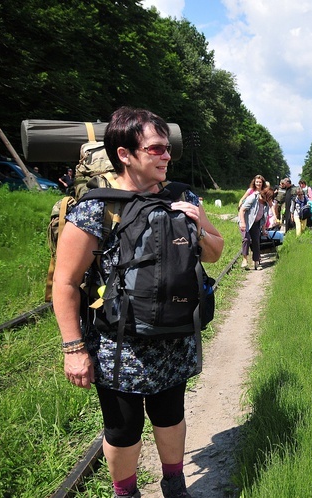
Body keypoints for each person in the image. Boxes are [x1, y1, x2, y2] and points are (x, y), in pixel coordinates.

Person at [52, 106, 224, 498]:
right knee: (122, 431)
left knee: (170, 416)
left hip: (173, 336)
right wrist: (74, 348)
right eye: (156, 149)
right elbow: (65, 282)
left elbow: (216, 251)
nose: (166, 156)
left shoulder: (182, 196)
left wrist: (196, 223)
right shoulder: (98, 208)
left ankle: (174, 484)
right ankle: (126, 492)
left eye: (167, 149)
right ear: (125, 154)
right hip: (119, 345)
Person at [239, 175, 269, 270]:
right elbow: (242, 207)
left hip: (256, 223)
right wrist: (242, 221)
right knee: (247, 239)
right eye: (257, 182)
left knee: (256, 241)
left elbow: (264, 216)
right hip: (247, 220)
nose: (258, 184)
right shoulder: (252, 195)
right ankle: (244, 259)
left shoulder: (265, 200)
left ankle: (256, 262)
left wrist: (264, 229)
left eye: (260, 182)